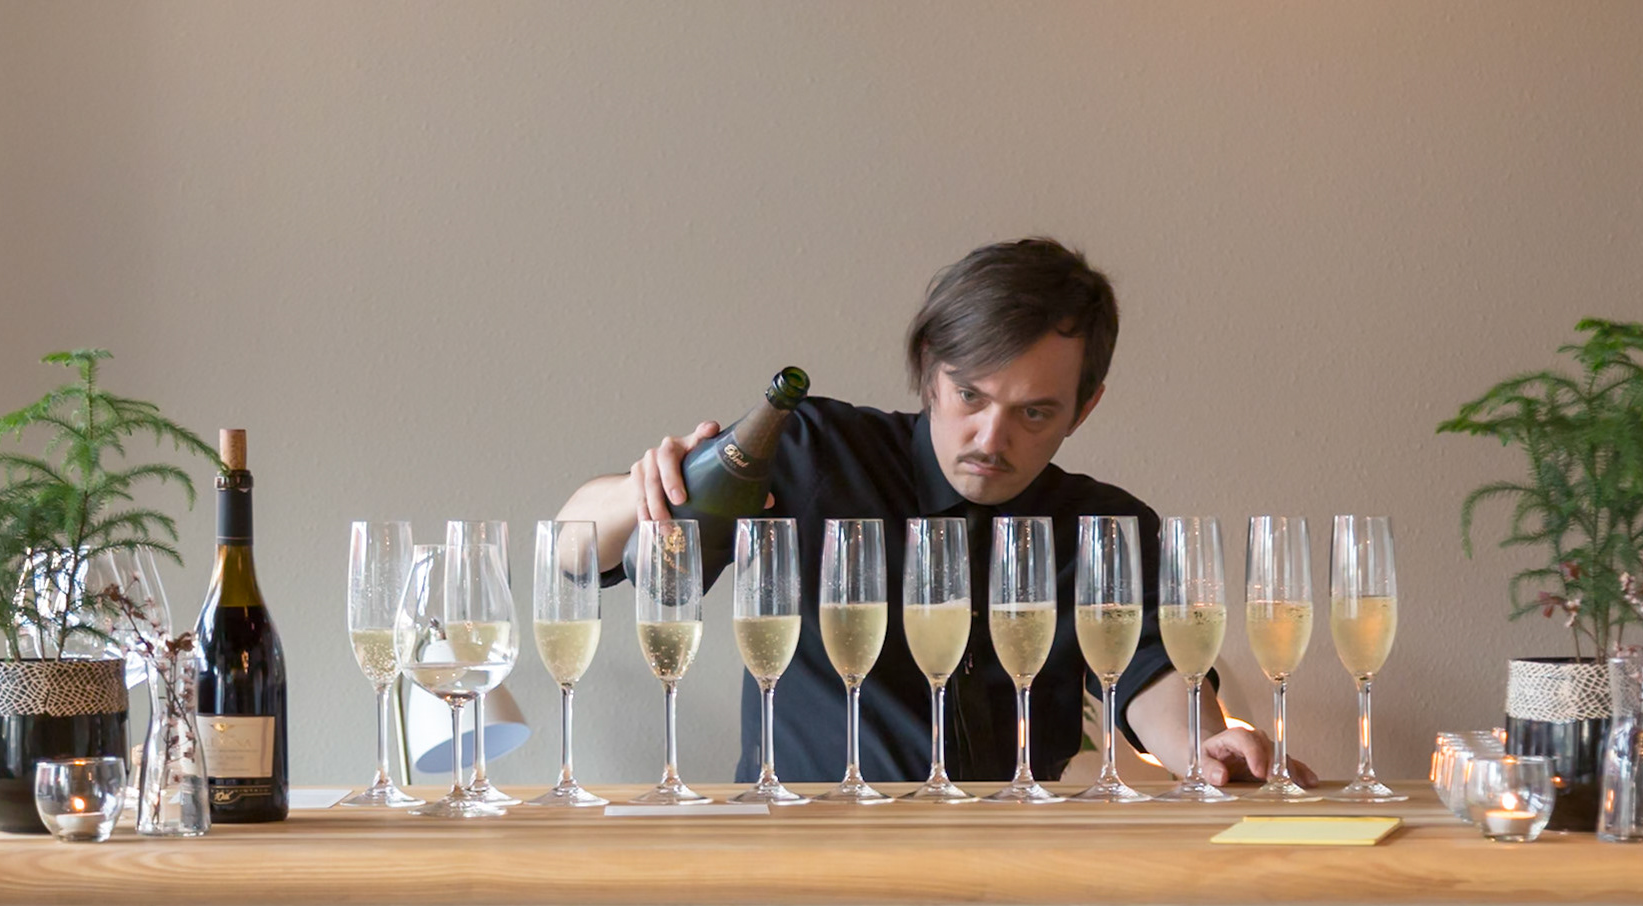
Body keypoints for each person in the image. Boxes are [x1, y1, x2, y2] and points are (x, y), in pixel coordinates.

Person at [558, 237, 1311, 788]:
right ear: (928, 373)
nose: (992, 438)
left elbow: (1156, 677)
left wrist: (1208, 746)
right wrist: (640, 490)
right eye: (971, 397)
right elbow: (573, 550)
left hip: (1009, 865)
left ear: (1084, 409)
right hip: (805, 851)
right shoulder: (816, 451)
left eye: (1035, 412)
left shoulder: (1102, 527)